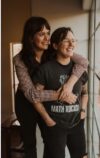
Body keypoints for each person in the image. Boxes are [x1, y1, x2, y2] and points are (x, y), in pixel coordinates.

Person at [13, 17, 88, 158]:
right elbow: (30, 93)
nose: (47, 38)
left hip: (46, 103)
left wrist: (69, 85)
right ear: (30, 37)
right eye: (42, 34)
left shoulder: (53, 51)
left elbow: (83, 62)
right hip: (25, 103)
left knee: (50, 140)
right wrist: (61, 95)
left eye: (48, 33)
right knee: (29, 143)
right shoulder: (19, 60)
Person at [32, 27, 88, 158]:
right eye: (66, 40)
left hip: (76, 123)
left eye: (73, 41)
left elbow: (85, 93)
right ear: (55, 45)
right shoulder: (45, 69)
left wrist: (83, 110)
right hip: (55, 125)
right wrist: (47, 119)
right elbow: (35, 97)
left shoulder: (79, 69)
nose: (71, 44)